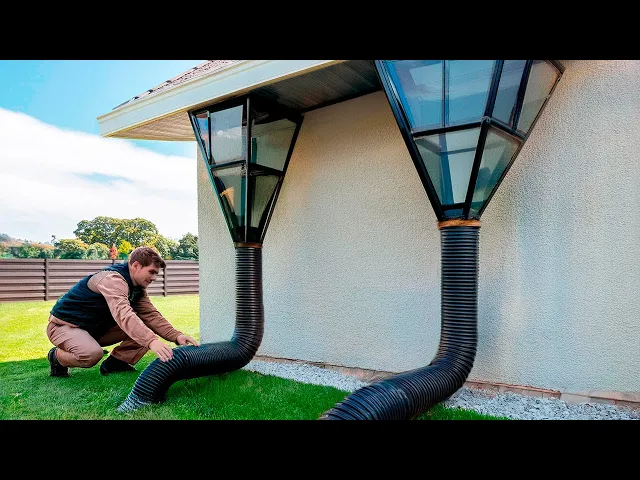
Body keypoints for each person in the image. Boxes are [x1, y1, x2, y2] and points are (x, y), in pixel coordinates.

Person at [46, 246, 199, 377]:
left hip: (96, 329)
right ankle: (56, 357)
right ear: (136, 265)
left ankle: (116, 363)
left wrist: (176, 336)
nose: (154, 278)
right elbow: (123, 314)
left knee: (145, 326)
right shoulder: (112, 280)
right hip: (65, 326)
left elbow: (151, 316)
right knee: (91, 355)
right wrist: (152, 341)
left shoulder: (137, 289)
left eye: (156, 274)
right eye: (151, 272)